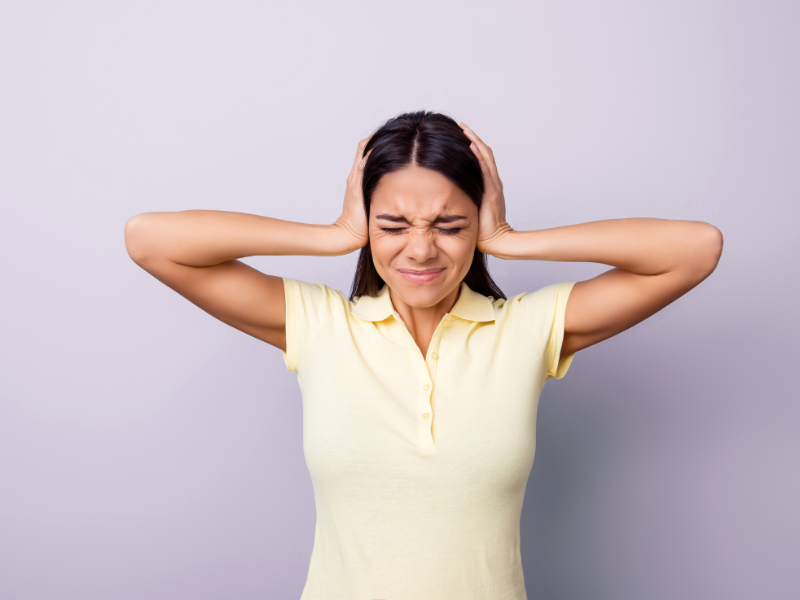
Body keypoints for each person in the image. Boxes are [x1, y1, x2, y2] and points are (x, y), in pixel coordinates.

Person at [124, 110, 723, 599]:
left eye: (450, 224)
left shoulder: (525, 330)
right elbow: (149, 239)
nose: (421, 249)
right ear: (367, 226)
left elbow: (695, 249)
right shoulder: (322, 326)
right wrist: (330, 234)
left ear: (476, 226)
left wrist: (510, 240)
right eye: (392, 224)